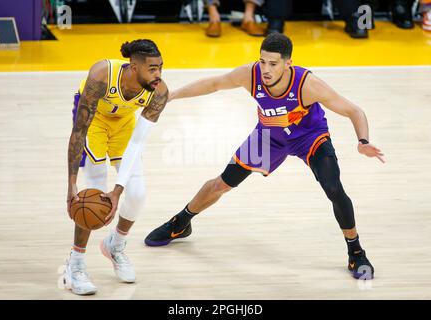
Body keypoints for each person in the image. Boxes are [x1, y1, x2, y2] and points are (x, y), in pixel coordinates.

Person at [142, 33, 385, 280]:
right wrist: (171, 96)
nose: (265, 69)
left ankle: (355, 250)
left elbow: (354, 110)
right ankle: (181, 222)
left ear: (288, 63)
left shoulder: (307, 84)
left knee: (334, 188)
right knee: (222, 183)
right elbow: (215, 83)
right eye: (262, 61)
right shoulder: (251, 74)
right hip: (269, 137)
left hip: (309, 137)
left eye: (273, 63)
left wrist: (363, 141)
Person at [64, 39, 169, 295]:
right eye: (152, 69)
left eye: (161, 68)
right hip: (95, 122)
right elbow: (80, 130)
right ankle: (75, 265)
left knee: (137, 193)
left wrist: (119, 190)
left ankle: (115, 245)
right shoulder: (102, 74)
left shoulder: (159, 92)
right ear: (134, 67)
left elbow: (137, 143)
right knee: (94, 194)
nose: (158, 75)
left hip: (123, 126)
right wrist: (72, 183)